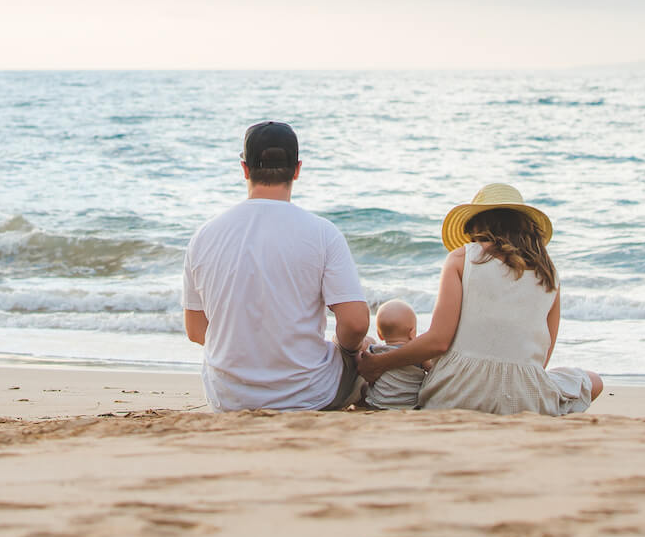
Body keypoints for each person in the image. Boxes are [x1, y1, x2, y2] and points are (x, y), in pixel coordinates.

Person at [356, 182, 602, 415]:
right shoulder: (549, 272)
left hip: (455, 395)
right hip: (525, 400)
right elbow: (542, 357)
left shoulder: (462, 258)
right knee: (593, 381)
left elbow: (438, 342)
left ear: (476, 225)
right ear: (525, 226)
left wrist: (382, 363)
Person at [181, 121, 370, 410]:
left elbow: (196, 331)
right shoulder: (322, 233)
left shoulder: (203, 236)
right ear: (297, 169)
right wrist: (346, 349)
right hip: (310, 396)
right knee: (364, 343)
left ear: (244, 169)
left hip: (228, 399)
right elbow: (356, 322)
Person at [359, 298, 431, 411]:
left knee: (362, 386)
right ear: (413, 333)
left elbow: (366, 372)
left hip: (378, 404)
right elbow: (432, 369)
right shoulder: (418, 354)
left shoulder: (374, 351)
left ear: (380, 334)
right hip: (410, 406)